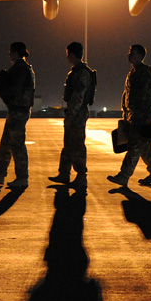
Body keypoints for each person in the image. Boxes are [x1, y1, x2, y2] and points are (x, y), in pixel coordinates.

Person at [108, 44, 151, 188]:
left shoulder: (145, 72)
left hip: (141, 116)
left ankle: (123, 176)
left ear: (139, 56)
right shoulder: (133, 72)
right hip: (133, 116)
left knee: (134, 147)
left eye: (132, 52)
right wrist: (125, 114)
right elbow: (127, 95)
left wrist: (149, 115)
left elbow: (150, 94)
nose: (129, 54)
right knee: (144, 147)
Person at [0, 42, 36, 189]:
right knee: (5, 144)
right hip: (16, 110)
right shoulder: (22, 69)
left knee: (17, 145)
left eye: (10, 52)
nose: (8, 55)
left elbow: (13, 90)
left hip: (18, 111)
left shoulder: (20, 69)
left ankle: (22, 177)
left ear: (15, 53)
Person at [49, 42, 95, 190]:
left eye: (68, 53)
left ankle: (81, 177)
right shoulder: (76, 71)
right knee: (68, 145)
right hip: (74, 112)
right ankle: (64, 173)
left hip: (77, 113)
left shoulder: (82, 73)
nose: (67, 56)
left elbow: (78, 97)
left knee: (77, 146)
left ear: (73, 54)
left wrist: (71, 116)